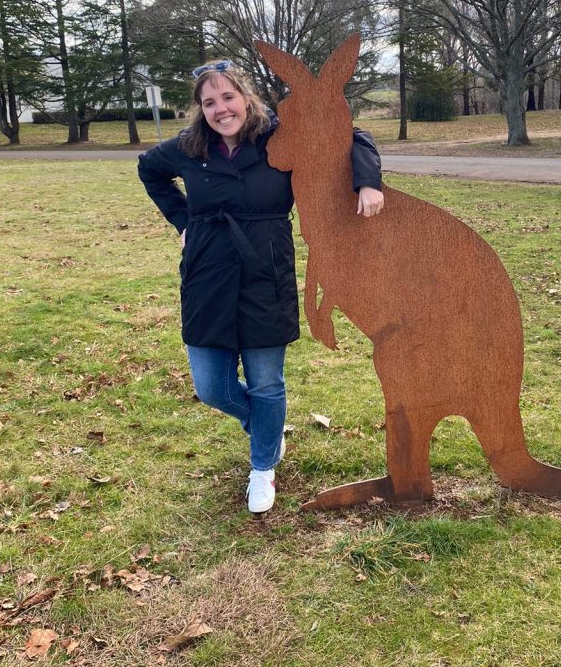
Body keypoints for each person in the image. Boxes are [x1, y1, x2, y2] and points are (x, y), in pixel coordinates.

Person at [137, 58, 384, 513]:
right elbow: (149, 169)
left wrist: (367, 182)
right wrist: (182, 220)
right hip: (207, 270)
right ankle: (265, 428)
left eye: (227, 97)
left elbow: (351, 137)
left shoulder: (280, 134)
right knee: (212, 386)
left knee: (267, 382)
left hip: (265, 267)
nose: (220, 109)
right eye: (208, 102)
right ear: (200, 110)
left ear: (246, 97)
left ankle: (262, 468)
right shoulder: (190, 147)